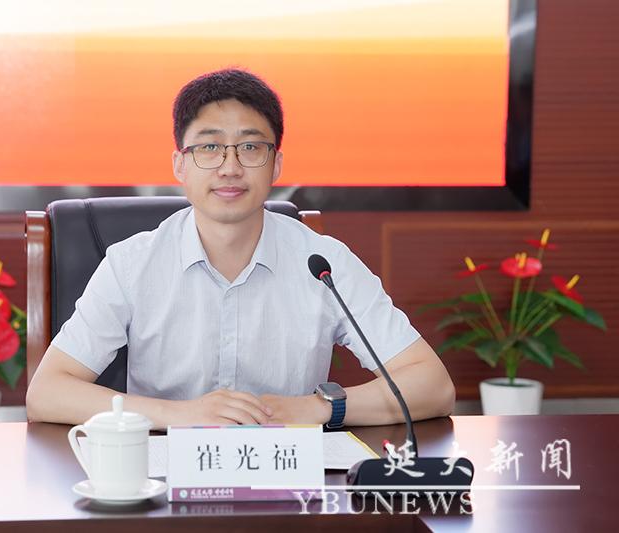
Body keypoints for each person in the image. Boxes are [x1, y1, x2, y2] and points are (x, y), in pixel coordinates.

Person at [26, 69, 455, 430]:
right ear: (180, 165)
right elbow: (47, 392)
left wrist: (318, 408)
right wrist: (181, 415)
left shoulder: (323, 262)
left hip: (288, 480)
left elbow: (432, 386)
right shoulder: (132, 264)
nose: (230, 167)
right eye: (209, 147)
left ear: (276, 164)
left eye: (250, 147)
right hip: (164, 479)